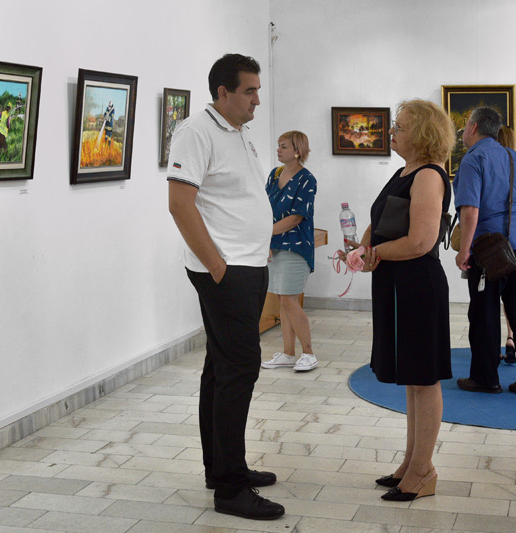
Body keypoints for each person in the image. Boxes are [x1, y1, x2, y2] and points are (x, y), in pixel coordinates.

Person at [167, 53, 284, 520]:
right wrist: (217, 266)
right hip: (227, 271)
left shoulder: (238, 131)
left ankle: (221, 468)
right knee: (240, 368)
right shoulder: (196, 131)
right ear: (223, 92)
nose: (257, 99)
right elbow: (180, 204)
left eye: (257, 90)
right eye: (249, 90)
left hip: (248, 266)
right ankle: (231, 489)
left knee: (221, 368)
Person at [358, 99, 453, 501]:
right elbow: (380, 223)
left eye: (400, 126)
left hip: (417, 284)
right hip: (396, 282)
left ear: (423, 134)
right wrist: (362, 249)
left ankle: (423, 470)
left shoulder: (429, 175)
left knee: (423, 378)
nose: (392, 131)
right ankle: (411, 462)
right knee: (412, 378)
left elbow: (420, 241)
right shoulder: (404, 172)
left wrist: (373, 253)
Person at [453, 107, 516, 394]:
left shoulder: (472, 159)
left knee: (484, 313)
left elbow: (470, 210)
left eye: (465, 126)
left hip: (489, 248)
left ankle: (485, 378)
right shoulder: (512, 156)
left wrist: (464, 250)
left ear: (473, 127)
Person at [261, 131, 319, 372]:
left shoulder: (307, 179)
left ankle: (309, 353)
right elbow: (264, 207)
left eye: (283, 146)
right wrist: (266, 240)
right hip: (275, 246)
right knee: (283, 301)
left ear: (297, 151)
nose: (279, 150)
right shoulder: (274, 175)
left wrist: (264, 233)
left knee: (289, 301)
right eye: (278, 146)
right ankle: (288, 353)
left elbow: (296, 217)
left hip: (295, 247)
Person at [497, 125, 516, 365]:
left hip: (492, 243)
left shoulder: (489, 164)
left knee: (490, 296)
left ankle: (491, 345)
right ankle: (512, 338)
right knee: (512, 297)